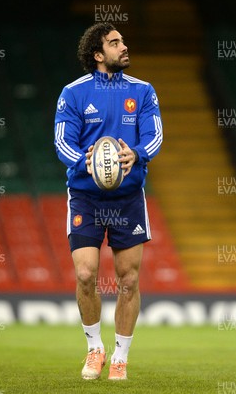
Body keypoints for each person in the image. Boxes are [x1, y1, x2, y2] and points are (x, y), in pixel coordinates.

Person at [54, 22, 163, 380]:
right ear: (98, 55)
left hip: (128, 197)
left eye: (123, 40)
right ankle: (94, 348)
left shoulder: (143, 91)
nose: (124, 46)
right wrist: (82, 159)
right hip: (85, 196)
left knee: (128, 280)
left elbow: (154, 135)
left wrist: (138, 153)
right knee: (86, 273)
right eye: (115, 43)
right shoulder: (73, 93)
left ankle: (120, 356)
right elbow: (61, 141)